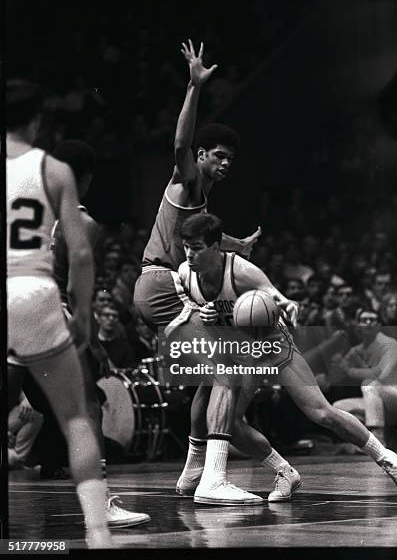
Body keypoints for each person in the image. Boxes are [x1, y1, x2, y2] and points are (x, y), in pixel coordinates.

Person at [134, 40, 274, 505]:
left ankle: (193, 474)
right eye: (218, 155)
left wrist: (239, 245)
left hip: (167, 288)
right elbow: (178, 143)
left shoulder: (201, 202)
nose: (225, 163)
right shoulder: (186, 177)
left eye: (230, 158)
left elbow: (207, 239)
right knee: (227, 371)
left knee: (206, 381)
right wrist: (193, 87)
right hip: (159, 286)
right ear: (201, 157)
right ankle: (215, 482)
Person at [175, 213, 397, 499]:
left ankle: (388, 459)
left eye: (196, 247)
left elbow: (276, 296)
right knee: (229, 422)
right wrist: (200, 314)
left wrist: (288, 305)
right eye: (186, 246)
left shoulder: (242, 271)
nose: (189, 254)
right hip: (242, 353)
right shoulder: (185, 273)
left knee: (321, 412)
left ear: (216, 247)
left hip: (272, 343)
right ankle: (284, 471)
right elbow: (186, 314)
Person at [6, 79, 112, 548]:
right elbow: (83, 255)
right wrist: (84, 316)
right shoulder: (53, 169)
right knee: (75, 417)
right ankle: (97, 530)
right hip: (38, 290)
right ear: (36, 121)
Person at [49, 138, 150, 527]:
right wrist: (93, 344)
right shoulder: (82, 221)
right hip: (52, 315)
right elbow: (77, 292)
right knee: (89, 407)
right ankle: (100, 505)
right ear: (87, 177)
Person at [332, 308, 397, 446]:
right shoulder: (356, 350)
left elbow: (382, 374)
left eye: (372, 320)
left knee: (370, 385)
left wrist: (350, 370)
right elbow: (336, 374)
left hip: (396, 398)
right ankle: (364, 441)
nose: (368, 323)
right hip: (376, 404)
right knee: (338, 408)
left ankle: (378, 437)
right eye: (364, 320)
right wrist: (335, 359)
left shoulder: (390, 344)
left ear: (378, 325)